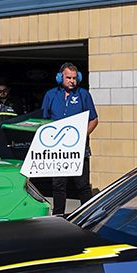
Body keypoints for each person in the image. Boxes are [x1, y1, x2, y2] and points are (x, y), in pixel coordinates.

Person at [40, 62, 99, 215]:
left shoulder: (83, 94)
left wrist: (82, 136)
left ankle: (88, 215)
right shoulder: (51, 95)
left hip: (79, 150)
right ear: (60, 77)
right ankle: (59, 215)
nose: (72, 81)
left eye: (74, 78)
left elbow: (94, 120)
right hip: (58, 150)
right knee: (58, 185)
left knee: (83, 185)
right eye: (68, 78)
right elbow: (43, 121)